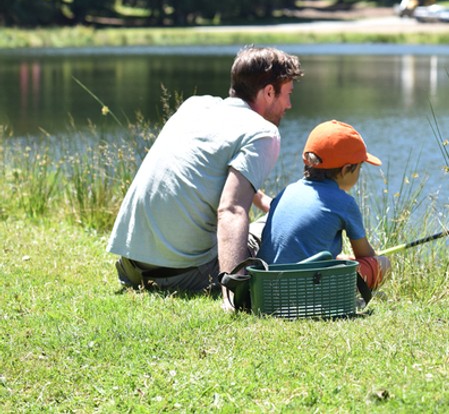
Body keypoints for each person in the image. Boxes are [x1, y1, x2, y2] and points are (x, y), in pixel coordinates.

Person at [107, 45, 303, 303]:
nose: (289, 104)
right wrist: (233, 294)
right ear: (269, 92)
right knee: (284, 222)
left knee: (271, 215)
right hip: (184, 276)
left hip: (132, 268)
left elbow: (205, 171)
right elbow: (231, 210)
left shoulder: (195, 106)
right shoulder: (263, 132)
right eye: (287, 94)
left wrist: (263, 200)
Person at [256, 120, 391, 293]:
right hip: (307, 290)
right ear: (346, 169)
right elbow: (365, 256)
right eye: (359, 167)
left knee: (340, 259)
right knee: (384, 264)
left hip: (266, 287)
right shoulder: (345, 203)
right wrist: (374, 258)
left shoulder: (287, 191)